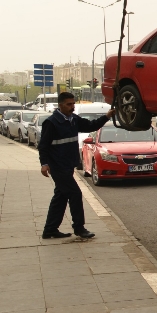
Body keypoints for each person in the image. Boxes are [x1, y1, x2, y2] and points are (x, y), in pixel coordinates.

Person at [38, 92, 113, 239]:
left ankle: (50, 229)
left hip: (68, 165)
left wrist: (107, 116)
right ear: (60, 105)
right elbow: (43, 146)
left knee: (60, 196)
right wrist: (44, 164)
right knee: (75, 193)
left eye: (73, 104)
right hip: (58, 167)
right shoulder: (52, 123)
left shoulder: (73, 119)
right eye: (68, 104)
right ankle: (79, 228)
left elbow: (91, 125)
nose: (72, 107)